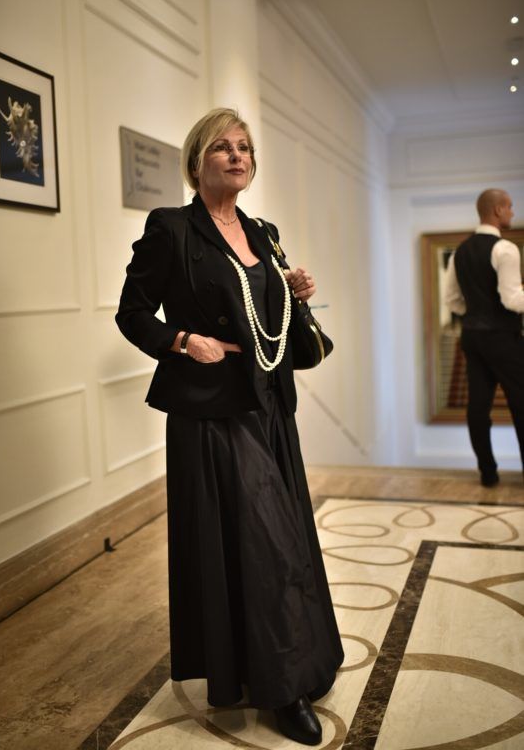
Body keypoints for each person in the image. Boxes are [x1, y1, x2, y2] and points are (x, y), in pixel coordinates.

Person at [116, 107, 344, 745]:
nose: (238, 155)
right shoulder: (171, 228)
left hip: (268, 401)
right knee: (262, 542)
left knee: (284, 535)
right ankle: (282, 687)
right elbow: (132, 313)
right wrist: (183, 340)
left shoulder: (263, 232)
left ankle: (298, 658)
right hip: (212, 411)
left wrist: (292, 289)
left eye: (244, 147)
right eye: (223, 147)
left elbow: (264, 313)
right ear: (197, 162)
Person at [445, 188, 524, 486]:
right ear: (498, 210)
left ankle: (488, 474)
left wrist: (476, 313)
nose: (513, 212)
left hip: (471, 337)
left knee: (478, 406)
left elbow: (452, 300)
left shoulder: (459, 252)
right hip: (503, 338)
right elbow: (512, 299)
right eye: (510, 206)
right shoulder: (505, 249)